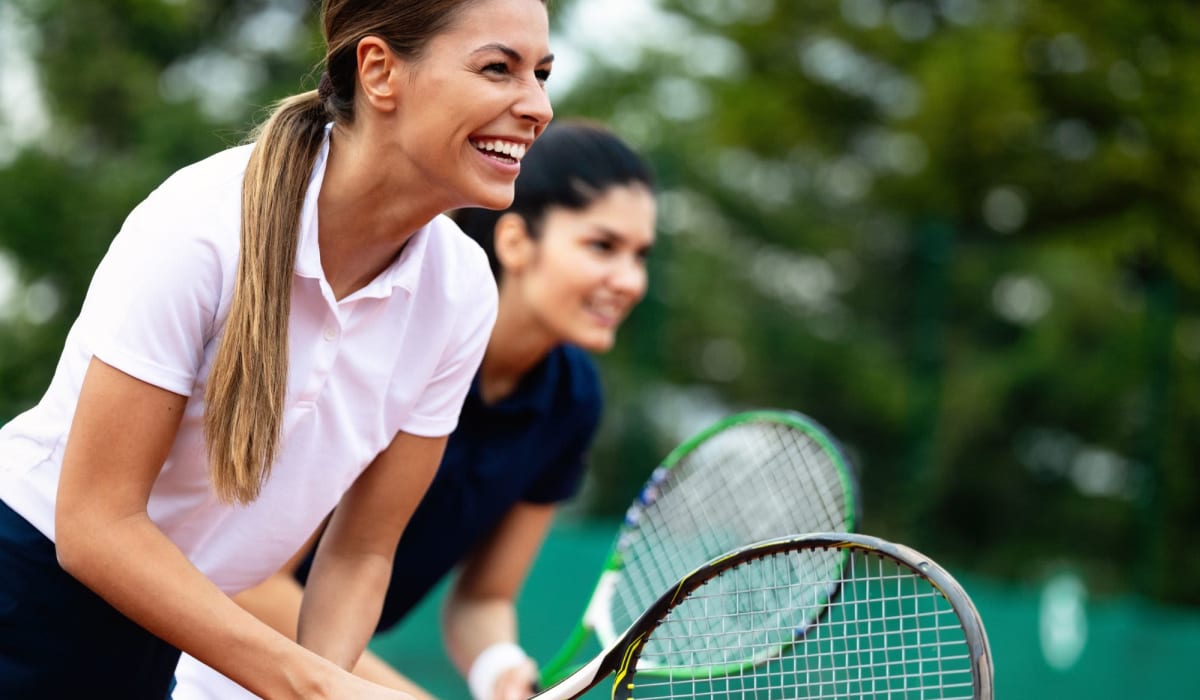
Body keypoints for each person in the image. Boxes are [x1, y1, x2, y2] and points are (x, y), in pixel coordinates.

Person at [0, 0, 554, 698]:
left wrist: (319, 685)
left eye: (541, 73)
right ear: (380, 71)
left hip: (156, 643)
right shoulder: (199, 223)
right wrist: (316, 687)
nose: (538, 106)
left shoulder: (464, 292)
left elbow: (360, 553)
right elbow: (94, 526)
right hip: (21, 592)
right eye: (498, 69)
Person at [170, 119, 658, 700]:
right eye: (602, 246)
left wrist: (500, 671)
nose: (629, 280)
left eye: (640, 255)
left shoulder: (573, 398)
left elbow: (483, 598)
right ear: (516, 243)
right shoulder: (395, 338)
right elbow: (254, 585)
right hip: (206, 660)